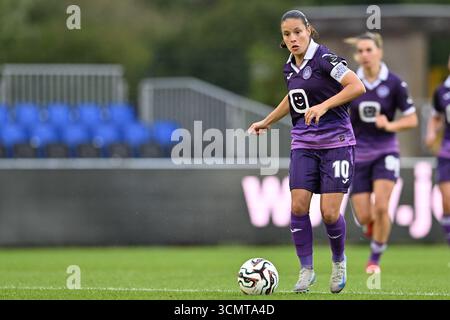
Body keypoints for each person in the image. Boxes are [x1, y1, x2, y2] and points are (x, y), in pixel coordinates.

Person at [248, 10, 365, 293]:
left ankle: (338, 262)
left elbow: (356, 86)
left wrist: (324, 106)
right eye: (287, 34)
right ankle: (306, 270)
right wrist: (267, 120)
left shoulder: (325, 59)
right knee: (298, 206)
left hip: (336, 143)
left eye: (297, 32)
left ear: (309, 30)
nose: (293, 38)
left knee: (328, 213)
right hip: (303, 143)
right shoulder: (289, 67)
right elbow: (293, 98)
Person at [345, 32, 418, 273]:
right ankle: (373, 227)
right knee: (365, 216)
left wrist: (390, 125)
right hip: (358, 155)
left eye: (369, 50)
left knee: (382, 207)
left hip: (385, 152)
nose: (365, 55)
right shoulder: (351, 82)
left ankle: (374, 259)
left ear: (379, 52)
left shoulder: (394, 83)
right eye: (361, 51)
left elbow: (412, 119)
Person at [425, 54, 450, 247]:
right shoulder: (441, 91)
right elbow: (436, 117)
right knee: (447, 199)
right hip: (447, 151)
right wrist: (432, 133)